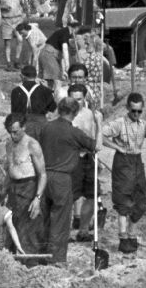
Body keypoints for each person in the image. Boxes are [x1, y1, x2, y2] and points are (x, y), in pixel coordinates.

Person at [102, 92, 146, 254]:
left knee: (139, 200)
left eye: (139, 111)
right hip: (122, 163)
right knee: (124, 201)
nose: (136, 114)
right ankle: (123, 238)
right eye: (133, 111)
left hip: (137, 163)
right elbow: (101, 135)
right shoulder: (119, 123)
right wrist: (117, 147)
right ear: (127, 108)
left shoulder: (144, 125)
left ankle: (132, 235)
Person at [37, 96, 96, 265]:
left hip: (44, 176)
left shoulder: (46, 127)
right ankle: (57, 259)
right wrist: (98, 123)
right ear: (75, 112)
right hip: (61, 178)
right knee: (61, 220)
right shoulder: (73, 131)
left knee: (45, 218)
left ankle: (42, 255)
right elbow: (95, 146)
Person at [3, 113, 48, 256]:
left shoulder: (32, 144)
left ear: (23, 127)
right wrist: (3, 193)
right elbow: (8, 171)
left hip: (29, 187)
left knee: (29, 228)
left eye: (15, 132)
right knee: (12, 224)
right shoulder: (8, 144)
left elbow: (42, 174)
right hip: (13, 188)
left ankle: (31, 262)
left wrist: (38, 198)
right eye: (9, 132)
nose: (12, 135)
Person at [66, 83, 102, 243]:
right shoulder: (65, 116)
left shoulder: (90, 114)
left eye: (79, 99)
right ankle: (65, 233)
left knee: (92, 194)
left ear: (84, 98)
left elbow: (95, 137)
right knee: (69, 196)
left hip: (89, 157)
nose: (76, 103)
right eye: (73, 99)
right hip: (72, 158)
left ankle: (83, 230)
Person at [9, 65, 56, 137]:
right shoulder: (45, 90)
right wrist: (49, 90)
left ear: (22, 76)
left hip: (23, 125)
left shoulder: (15, 91)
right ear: (36, 76)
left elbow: (14, 112)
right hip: (41, 125)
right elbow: (53, 108)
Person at [38, 21, 75, 93]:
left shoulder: (62, 34)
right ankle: (56, 99)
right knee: (56, 79)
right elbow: (65, 49)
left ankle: (48, 95)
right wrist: (67, 64)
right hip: (49, 54)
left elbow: (60, 57)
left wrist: (63, 70)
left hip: (49, 54)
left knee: (51, 79)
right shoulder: (65, 32)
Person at [0, 0, 25, 69]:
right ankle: (8, 62)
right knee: (7, 42)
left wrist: (24, 11)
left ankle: (17, 60)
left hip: (18, 19)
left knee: (20, 40)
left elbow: (24, 4)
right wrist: (3, 7)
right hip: (6, 20)